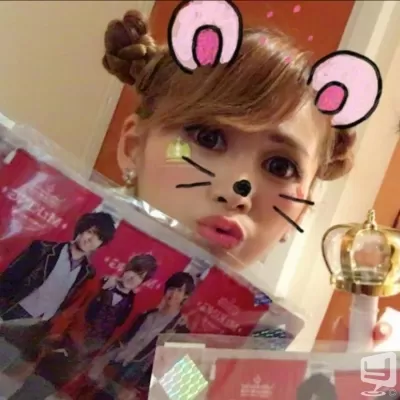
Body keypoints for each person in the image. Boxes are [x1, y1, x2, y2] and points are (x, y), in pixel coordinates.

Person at [101, 9, 392, 346]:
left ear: (302, 211)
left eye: (280, 167)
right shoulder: (55, 245)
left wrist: (331, 377)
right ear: (134, 146)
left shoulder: (241, 341)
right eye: (208, 138)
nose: (236, 192)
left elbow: (166, 377)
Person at [6, 254, 158, 400]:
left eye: (140, 277)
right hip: (66, 341)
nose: (133, 278)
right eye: (134, 271)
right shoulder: (96, 284)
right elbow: (71, 309)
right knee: (34, 382)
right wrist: (55, 335)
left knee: (48, 388)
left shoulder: (132, 308)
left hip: (86, 355)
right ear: (126, 268)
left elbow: (116, 336)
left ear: (142, 283)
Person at [0, 212, 116, 383]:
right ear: (82, 229)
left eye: (99, 238)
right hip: (14, 312)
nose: (91, 239)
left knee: (6, 366)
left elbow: (81, 306)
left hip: (38, 326)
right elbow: (8, 279)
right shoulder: (43, 249)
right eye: (90, 232)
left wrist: (106, 286)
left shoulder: (88, 273)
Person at [84, 272, 195, 399]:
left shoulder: (180, 330)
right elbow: (124, 341)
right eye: (171, 288)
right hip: (113, 368)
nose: (173, 294)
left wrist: (138, 388)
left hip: (132, 380)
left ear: (185, 296)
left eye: (180, 291)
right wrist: (103, 360)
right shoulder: (147, 315)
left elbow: (165, 366)